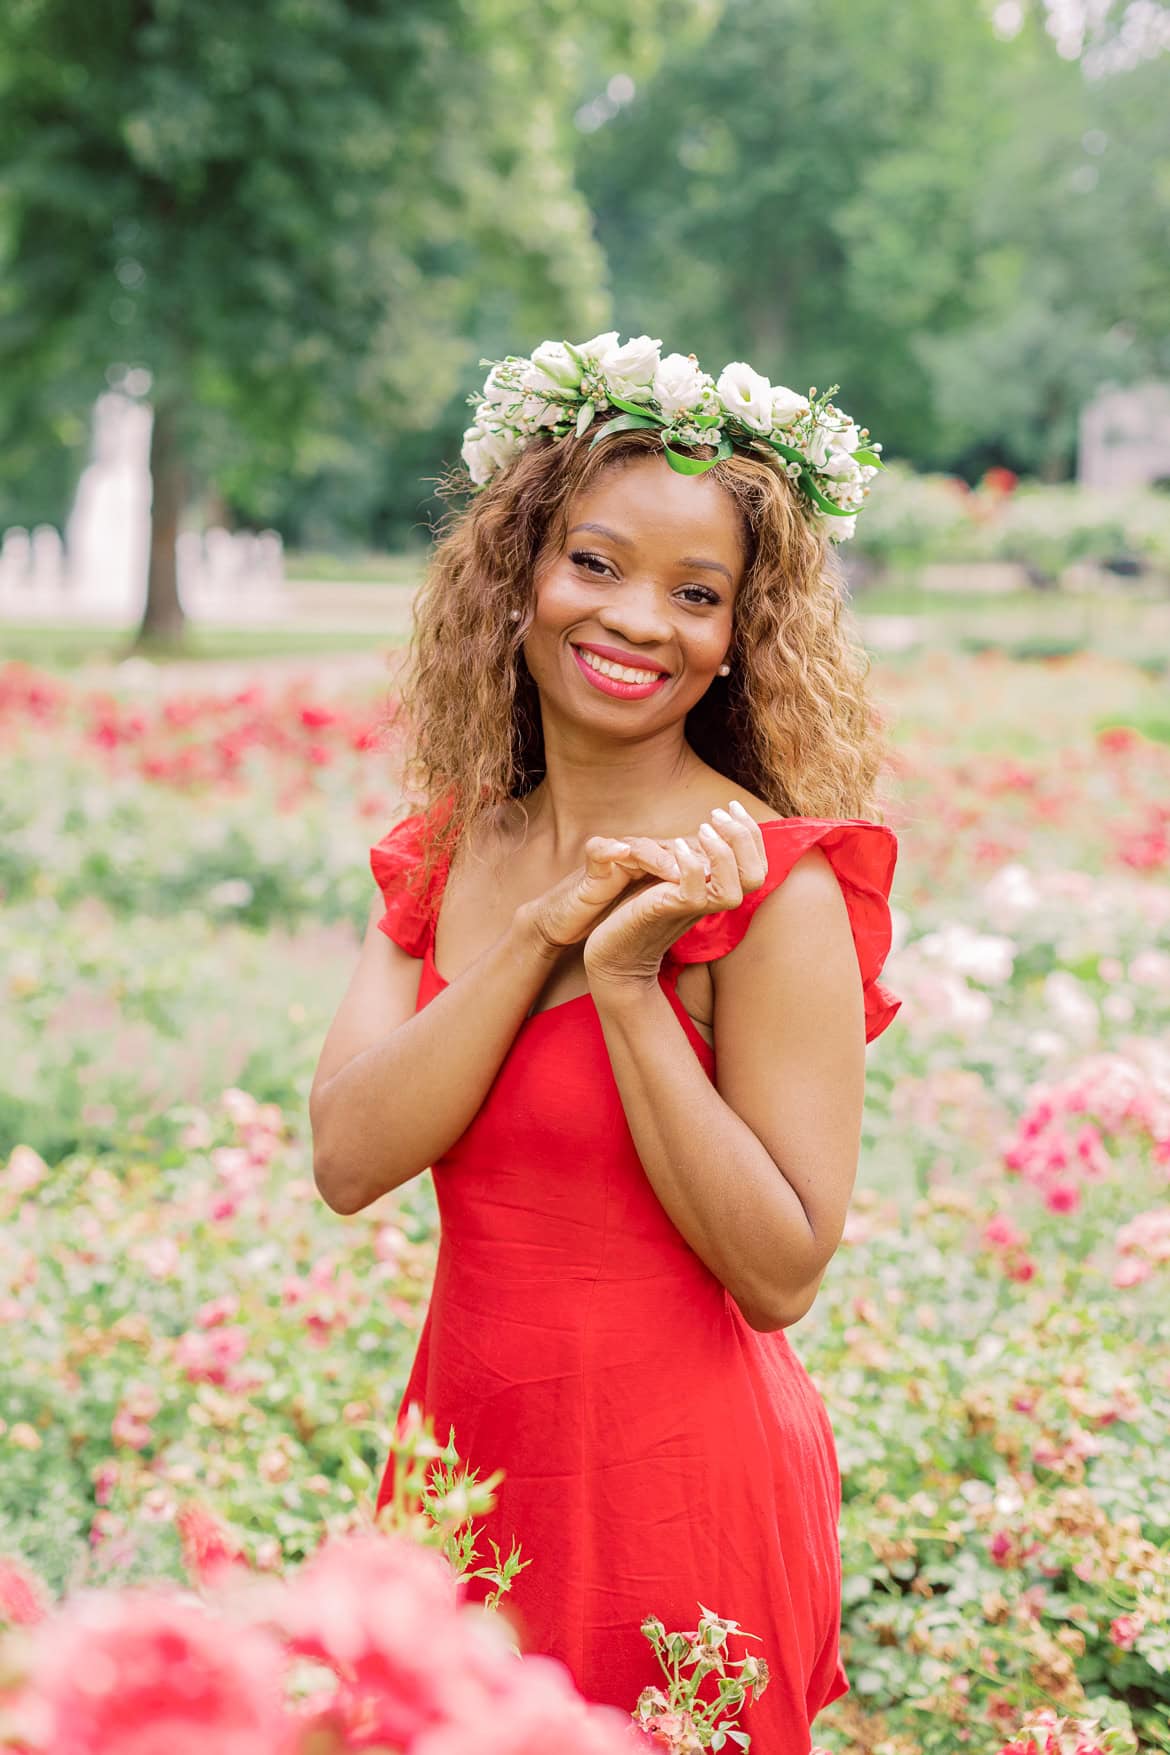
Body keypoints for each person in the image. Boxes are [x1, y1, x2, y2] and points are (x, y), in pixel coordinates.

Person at [310, 335, 902, 1752]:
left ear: (739, 636)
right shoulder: (446, 851)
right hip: (459, 1467)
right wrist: (539, 937)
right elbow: (348, 1155)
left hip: (675, 1502)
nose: (638, 620)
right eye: (595, 563)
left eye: (696, 594)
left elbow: (780, 1272)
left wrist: (631, 990)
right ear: (517, 574)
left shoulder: (775, 881)